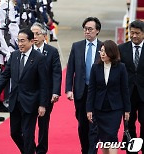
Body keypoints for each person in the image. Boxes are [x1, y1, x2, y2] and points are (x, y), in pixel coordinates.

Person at [0, 28, 48, 154]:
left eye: (23, 41)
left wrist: (42, 104)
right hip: (15, 101)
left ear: (32, 41)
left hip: (30, 102)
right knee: (14, 133)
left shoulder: (39, 58)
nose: (20, 44)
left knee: (27, 134)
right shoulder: (14, 55)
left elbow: (44, 84)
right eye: (18, 41)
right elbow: (5, 76)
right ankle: (29, 151)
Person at [86, 40, 130, 154]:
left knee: (111, 135)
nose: (102, 54)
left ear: (112, 52)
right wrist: (89, 109)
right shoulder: (96, 67)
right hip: (99, 108)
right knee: (103, 137)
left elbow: (125, 89)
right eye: (101, 51)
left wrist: (127, 110)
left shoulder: (121, 67)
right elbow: (92, 89)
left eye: (105, 51)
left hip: (115, 108)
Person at [65, 17, 102, 154]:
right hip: (81, 90)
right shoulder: (77, 46)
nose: (87, 31)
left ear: (97, 31)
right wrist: (69, 89)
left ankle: (92, 151)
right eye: (85, 29)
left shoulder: (103, 47)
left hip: (97, 92)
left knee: (95, 124)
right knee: (82, 125)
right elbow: (70, 70)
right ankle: (85, 149)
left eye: (90, 29)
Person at [31, 22, 62, 154]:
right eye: (32, 34)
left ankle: (42, 149)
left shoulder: (52, 52)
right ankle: (30, 148)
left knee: (43, 124)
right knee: (28, 124)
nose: (35, 36)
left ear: (44, 36)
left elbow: (56, 73)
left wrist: (55, 92)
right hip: (30, 94)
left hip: (46, 94)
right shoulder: (27, 50)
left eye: (37, 34)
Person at [118, 19, 144, 154]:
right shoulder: (122, 49)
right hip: (128, 94)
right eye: (132, 33)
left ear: (143, 34)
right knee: (129, 124)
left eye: (137, 33)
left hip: (143, 94)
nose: (134, 36)